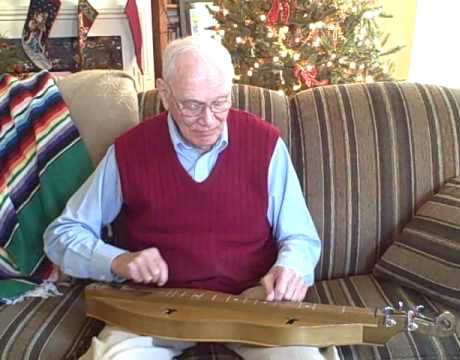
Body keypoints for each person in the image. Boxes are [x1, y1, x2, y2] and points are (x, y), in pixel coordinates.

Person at [44, 35, 338, 360]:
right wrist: (117, 261)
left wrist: (290, 268)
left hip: (251, 299)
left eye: (220, 102)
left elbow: (300, 237)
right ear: (165, 93)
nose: (209, 120)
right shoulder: (130, 150)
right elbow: (62, 234)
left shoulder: (265, 144)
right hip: (157, 304)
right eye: (192, 105)